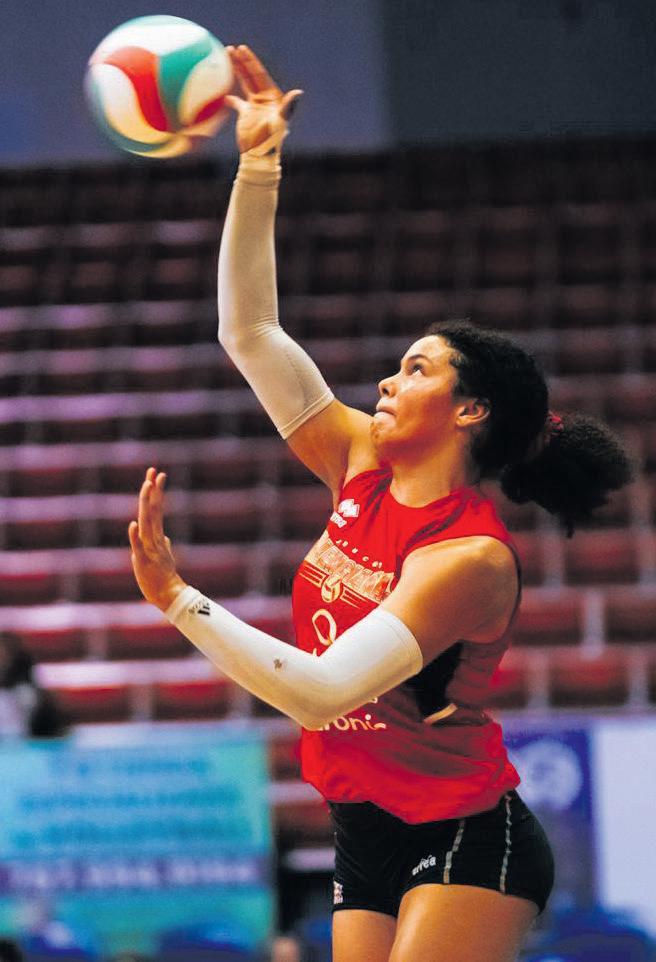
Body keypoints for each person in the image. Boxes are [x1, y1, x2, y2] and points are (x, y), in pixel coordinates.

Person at [128, 46, 634, 962]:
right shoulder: (359, 458)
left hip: (467, 829)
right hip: (362, 823)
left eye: (415, 369)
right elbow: (249, 331)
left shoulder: (470, 559)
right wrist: (258, 164)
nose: (386, 382)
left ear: (469, 410)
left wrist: (178, 600)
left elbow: (320, 693)